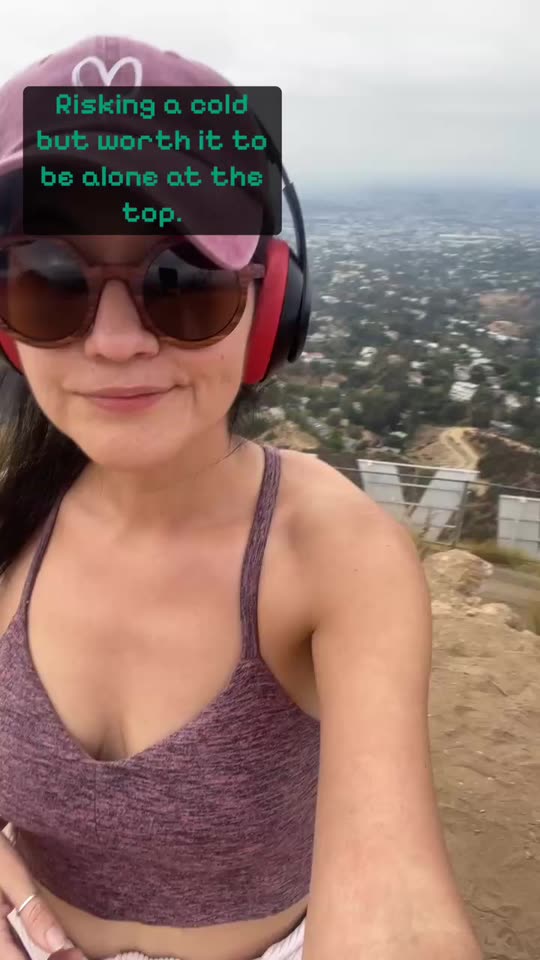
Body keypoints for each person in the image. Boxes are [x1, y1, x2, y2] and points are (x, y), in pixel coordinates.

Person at [0, 34, 483, 960]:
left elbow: (395, 911)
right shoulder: (11, 524)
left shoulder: (333, 552)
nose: (113, 342)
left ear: (271, 306)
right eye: (47, 279)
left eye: (180, 281)